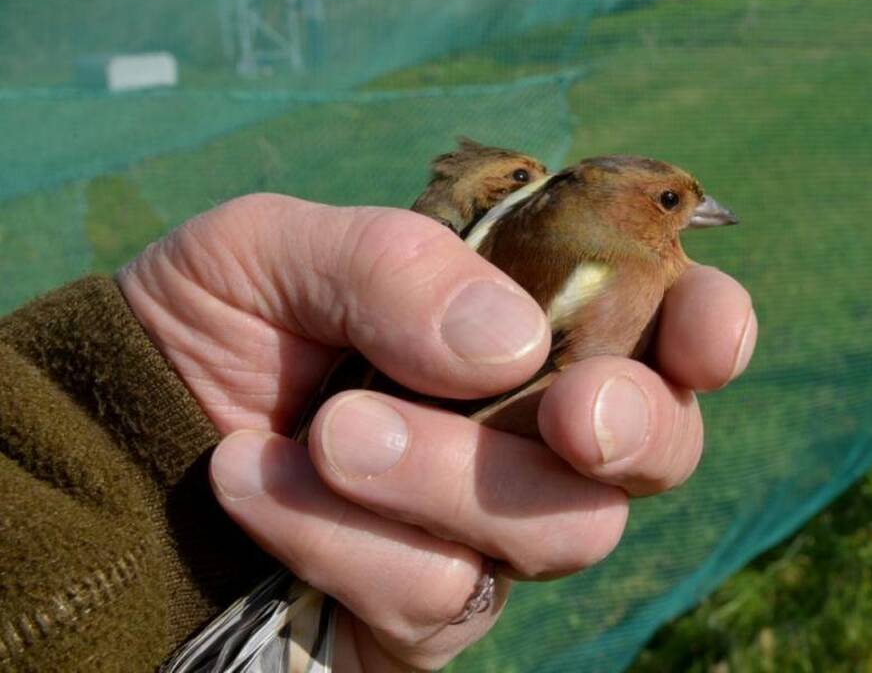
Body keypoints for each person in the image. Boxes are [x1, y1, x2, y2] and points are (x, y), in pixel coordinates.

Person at [0, 193, 757, 672]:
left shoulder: (597, 262)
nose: (698, 212)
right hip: (300, 478)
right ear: (627, 216)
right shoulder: (595, 279)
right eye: (670, 202)